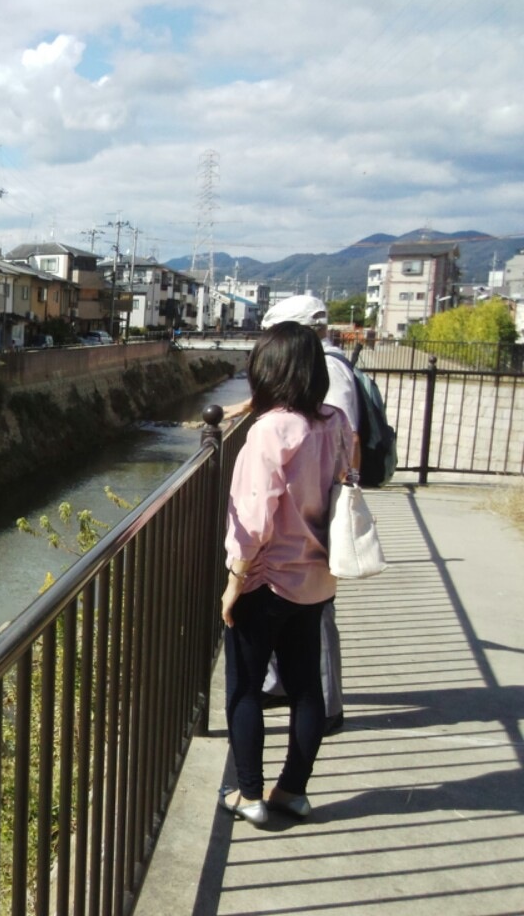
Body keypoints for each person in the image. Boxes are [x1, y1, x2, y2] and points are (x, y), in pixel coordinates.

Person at [219, 321, 350, 825]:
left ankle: (248, 795)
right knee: (305, 688)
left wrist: (234, 583)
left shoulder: (269, 431)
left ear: (269, 371)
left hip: (266, 578)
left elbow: (254, 520)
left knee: (245, 688)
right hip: (315, 576)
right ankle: (292, 791)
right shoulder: (332, 421)